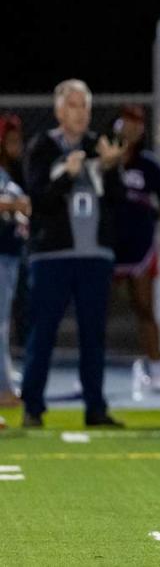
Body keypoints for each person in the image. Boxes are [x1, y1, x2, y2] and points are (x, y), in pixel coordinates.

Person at [20, 79, 126, 428]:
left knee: (93, 335)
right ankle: (32, 407)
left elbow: (118, 202)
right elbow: (38, 200)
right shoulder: (42, 147)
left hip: (95, 254)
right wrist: (67, 175)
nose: (80, 113)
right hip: (53, 255)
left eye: (84, 106)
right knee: (43, 332)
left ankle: (95, 407)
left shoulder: (100, 145)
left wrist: (111, 170)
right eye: (73, 105)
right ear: (58, 110)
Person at [111, 105, 160, 393]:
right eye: (127, 122)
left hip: (140, 247)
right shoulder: (104, 159)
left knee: (145, 308)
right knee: (97, 310)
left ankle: (157, 369)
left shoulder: (148, 164)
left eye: (137, 123)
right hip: (107, 247)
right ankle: (90, 371)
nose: (131, 128)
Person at [0, 158, 29, 407]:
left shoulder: (5, 174)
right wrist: (11, 205)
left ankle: (4, 387)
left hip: (8, 255)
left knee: (2, 326)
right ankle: (3, 391)